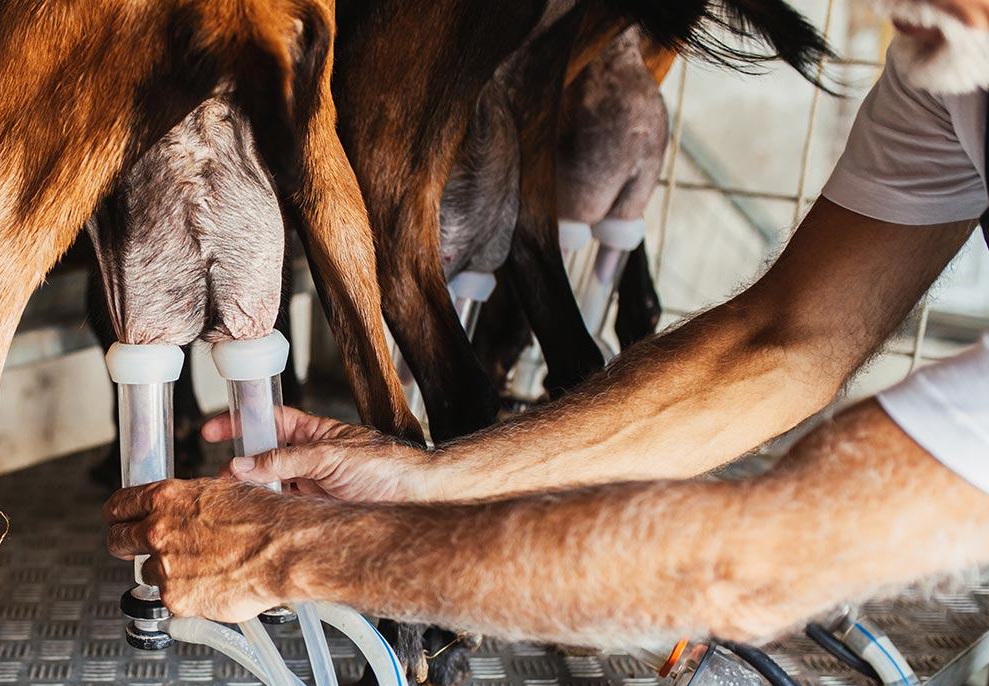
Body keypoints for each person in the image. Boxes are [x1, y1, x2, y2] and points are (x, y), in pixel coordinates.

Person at [103, 0, 989, 648]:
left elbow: (754, 566)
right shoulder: (949, 61)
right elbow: (782, 342)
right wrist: (434, 480)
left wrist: (302, 551)